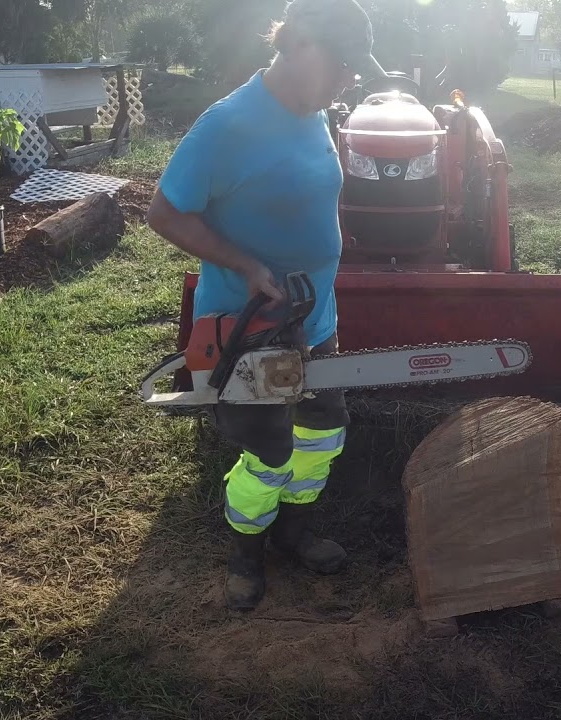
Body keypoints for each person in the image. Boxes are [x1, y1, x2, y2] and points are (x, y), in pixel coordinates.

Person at [146, 0, 387, 611]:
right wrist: (247, 265)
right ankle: (245, 550)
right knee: (269, 449)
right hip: (258, 331)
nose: (349, 79)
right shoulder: (228, 125)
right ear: (301, 43)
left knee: (320, 435)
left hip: (316, 319)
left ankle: (294, 530)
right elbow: (165, 212)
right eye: (342, 64)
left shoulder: (313, 112)